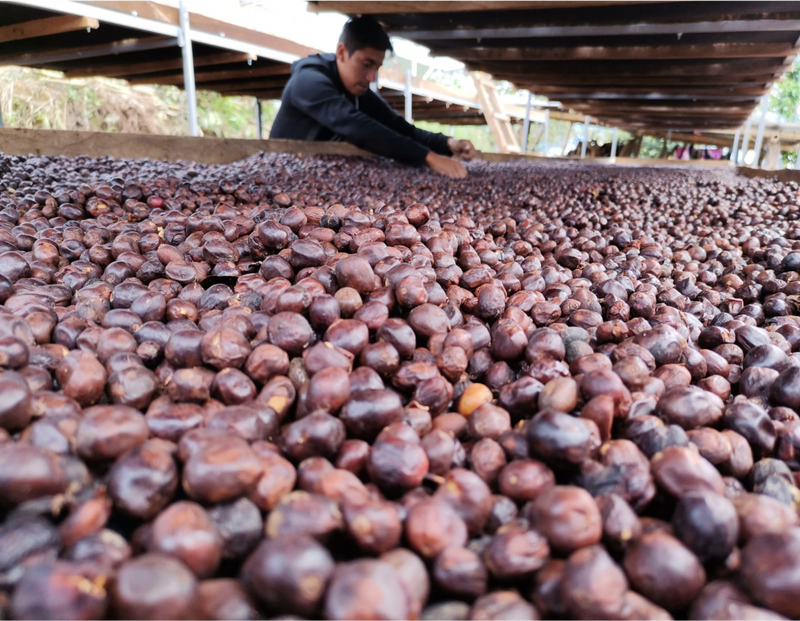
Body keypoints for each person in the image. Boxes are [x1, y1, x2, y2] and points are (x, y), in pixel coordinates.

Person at [270, 16, 476, 179]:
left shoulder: (357, 91)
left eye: (376, 68)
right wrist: (427, 157)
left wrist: (447, 144)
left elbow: (398, 127)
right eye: (366, 64)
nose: (371, 77)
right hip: (281, 173)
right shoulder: (308, 81)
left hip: (323, 175)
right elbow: (356, 126)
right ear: (341, 52)